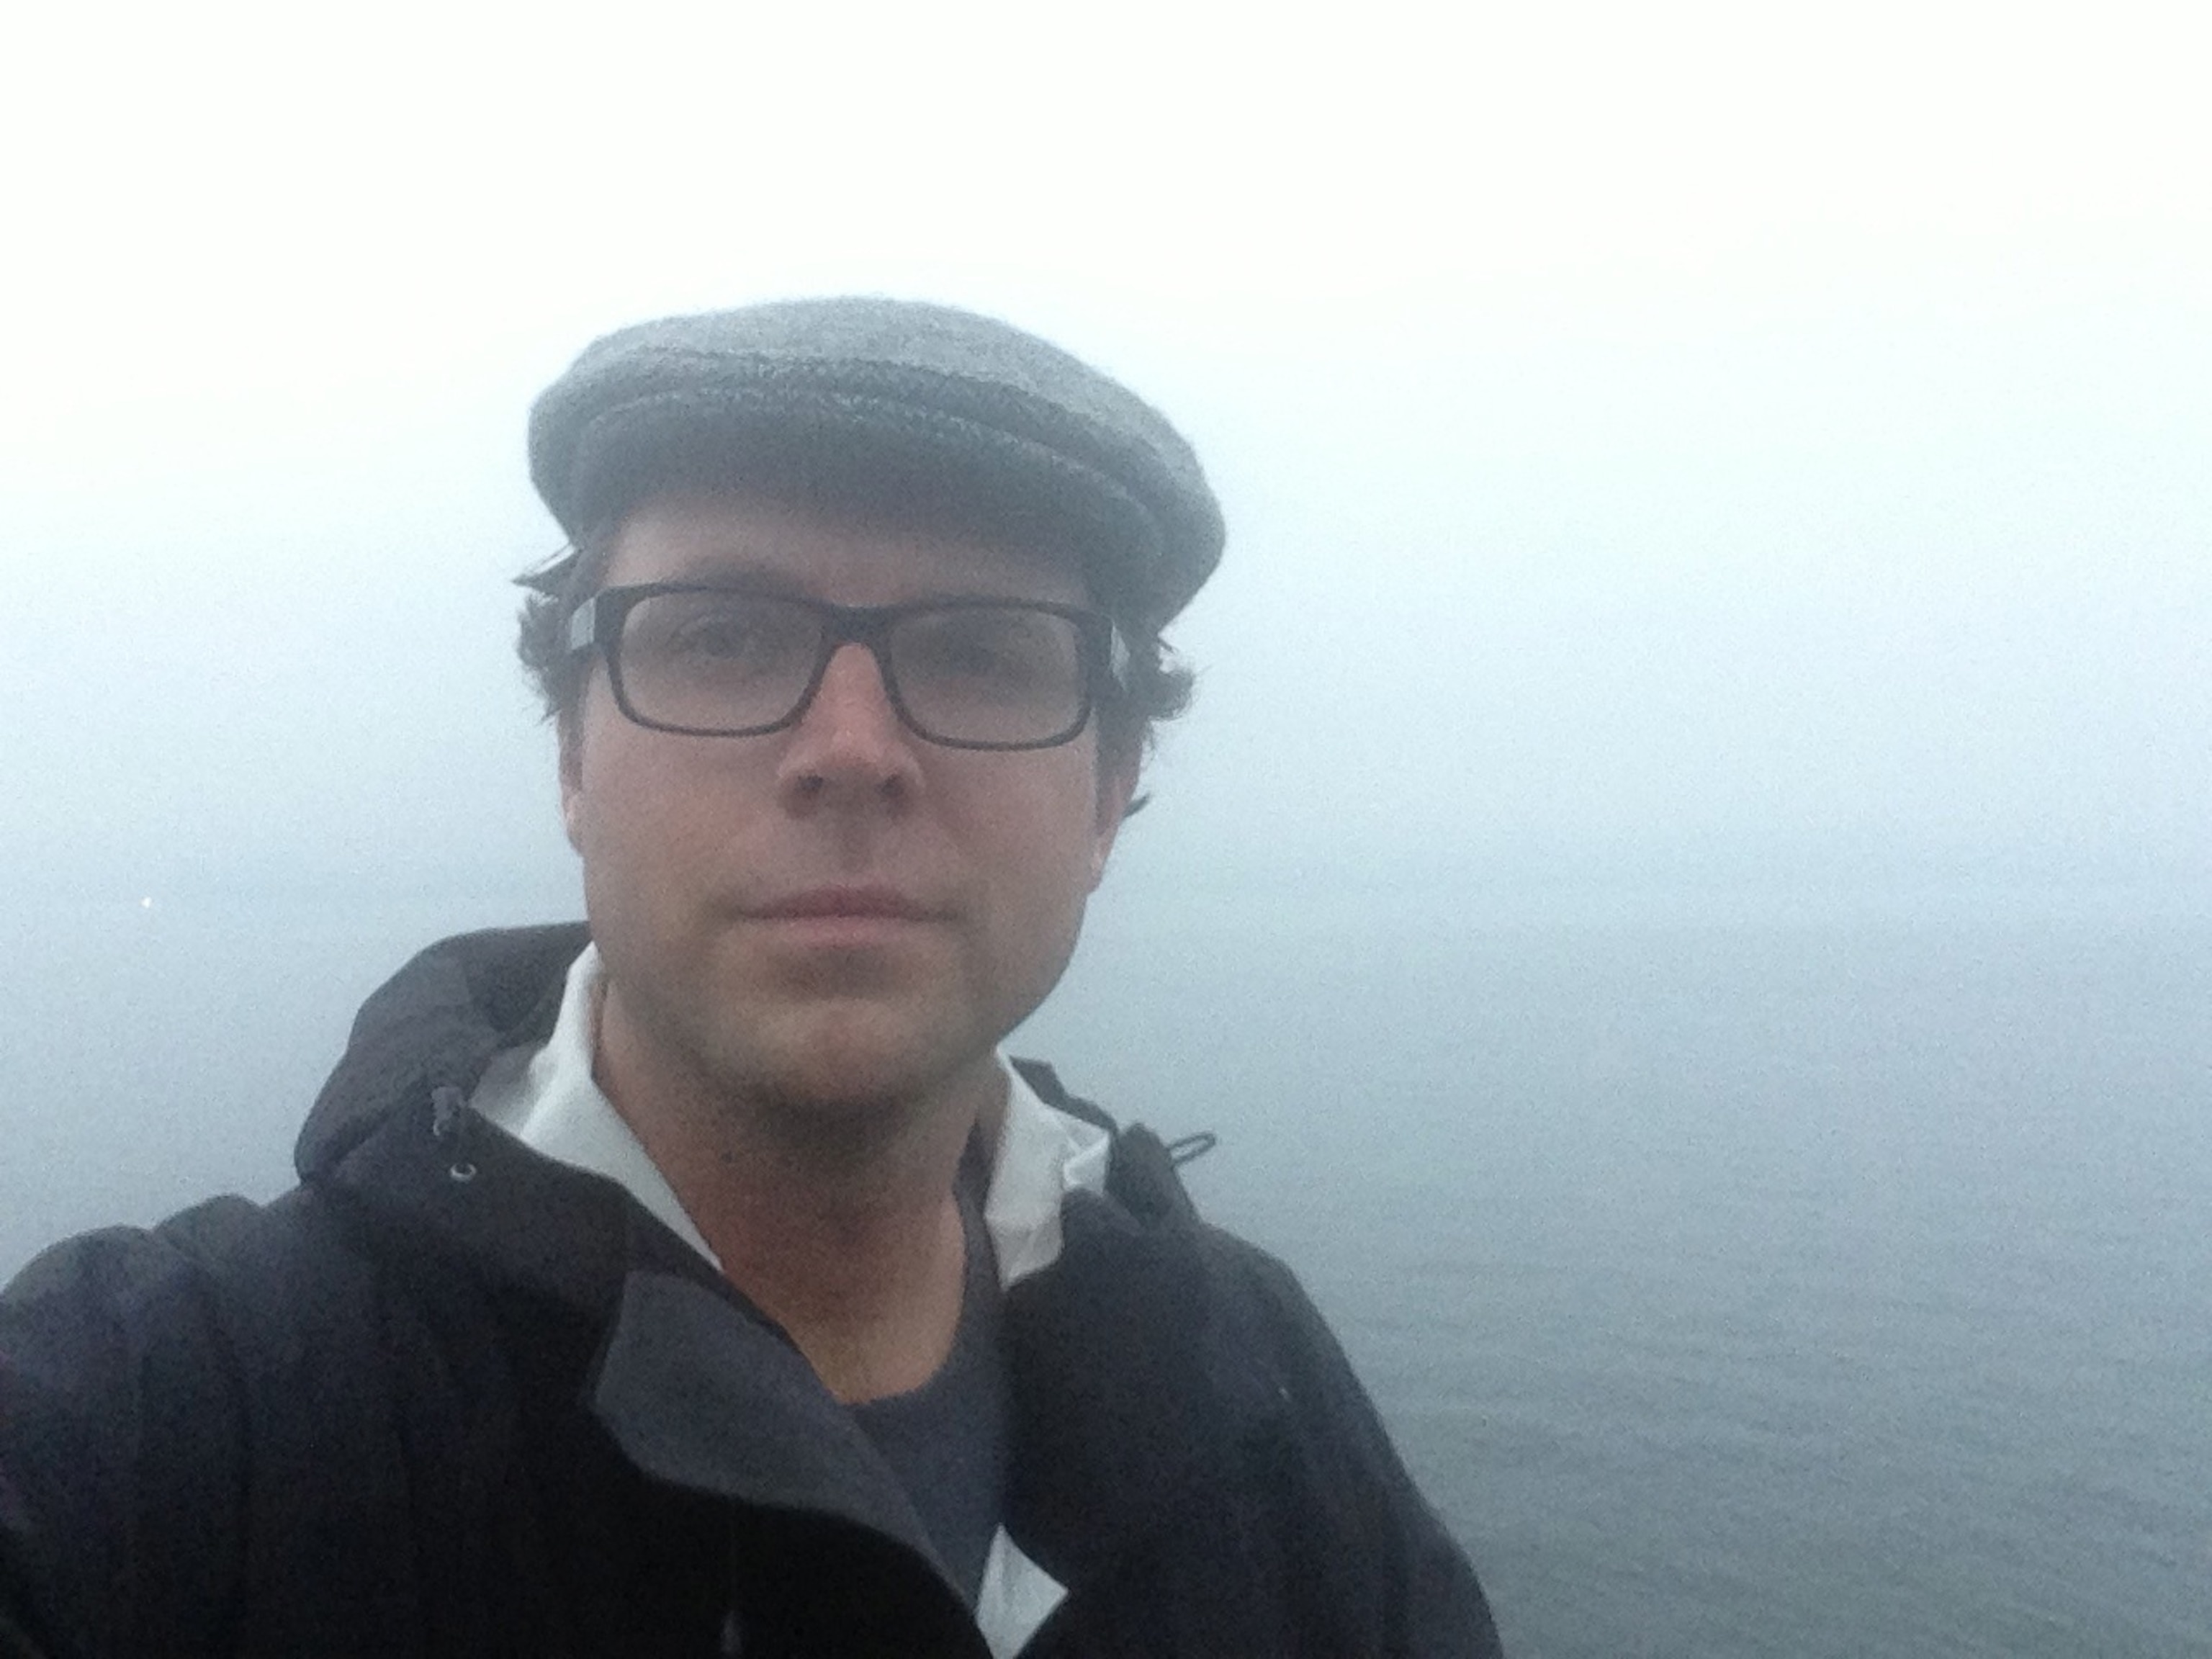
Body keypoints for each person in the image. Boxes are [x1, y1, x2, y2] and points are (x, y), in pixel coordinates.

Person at [0, 298, 1502, 1657]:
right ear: (574, 756)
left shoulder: (1254, 1396)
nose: (853, 748)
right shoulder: (170, 1427)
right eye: (721, 636)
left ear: (1109, 795)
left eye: (983, 654)